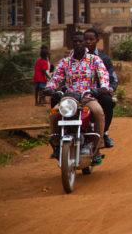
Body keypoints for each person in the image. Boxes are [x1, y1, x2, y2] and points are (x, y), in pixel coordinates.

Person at [46, 32, 110, 164]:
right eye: (75, 41)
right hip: (69, 99)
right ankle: (57, 145)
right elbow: (56, 78)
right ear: (72, 43)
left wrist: (103, 87)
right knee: (53, 115)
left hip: (88, 97)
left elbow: (103, 75)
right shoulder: (65, 62)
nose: (78, 44)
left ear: (84, 43)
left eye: (81, 41)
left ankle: (97, 147)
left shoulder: (94, 60)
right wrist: (50, 88)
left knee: (98, 113)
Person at [84, 28, 119, 148]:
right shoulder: (75, 57)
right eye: (86, 39)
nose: (88, 42)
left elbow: (112, 77)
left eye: (91, 39)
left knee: (108, 102)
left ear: (97, 40)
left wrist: (110, 88)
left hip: (99, 91)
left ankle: (104, 132)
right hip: (79, 92)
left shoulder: (104, 58)